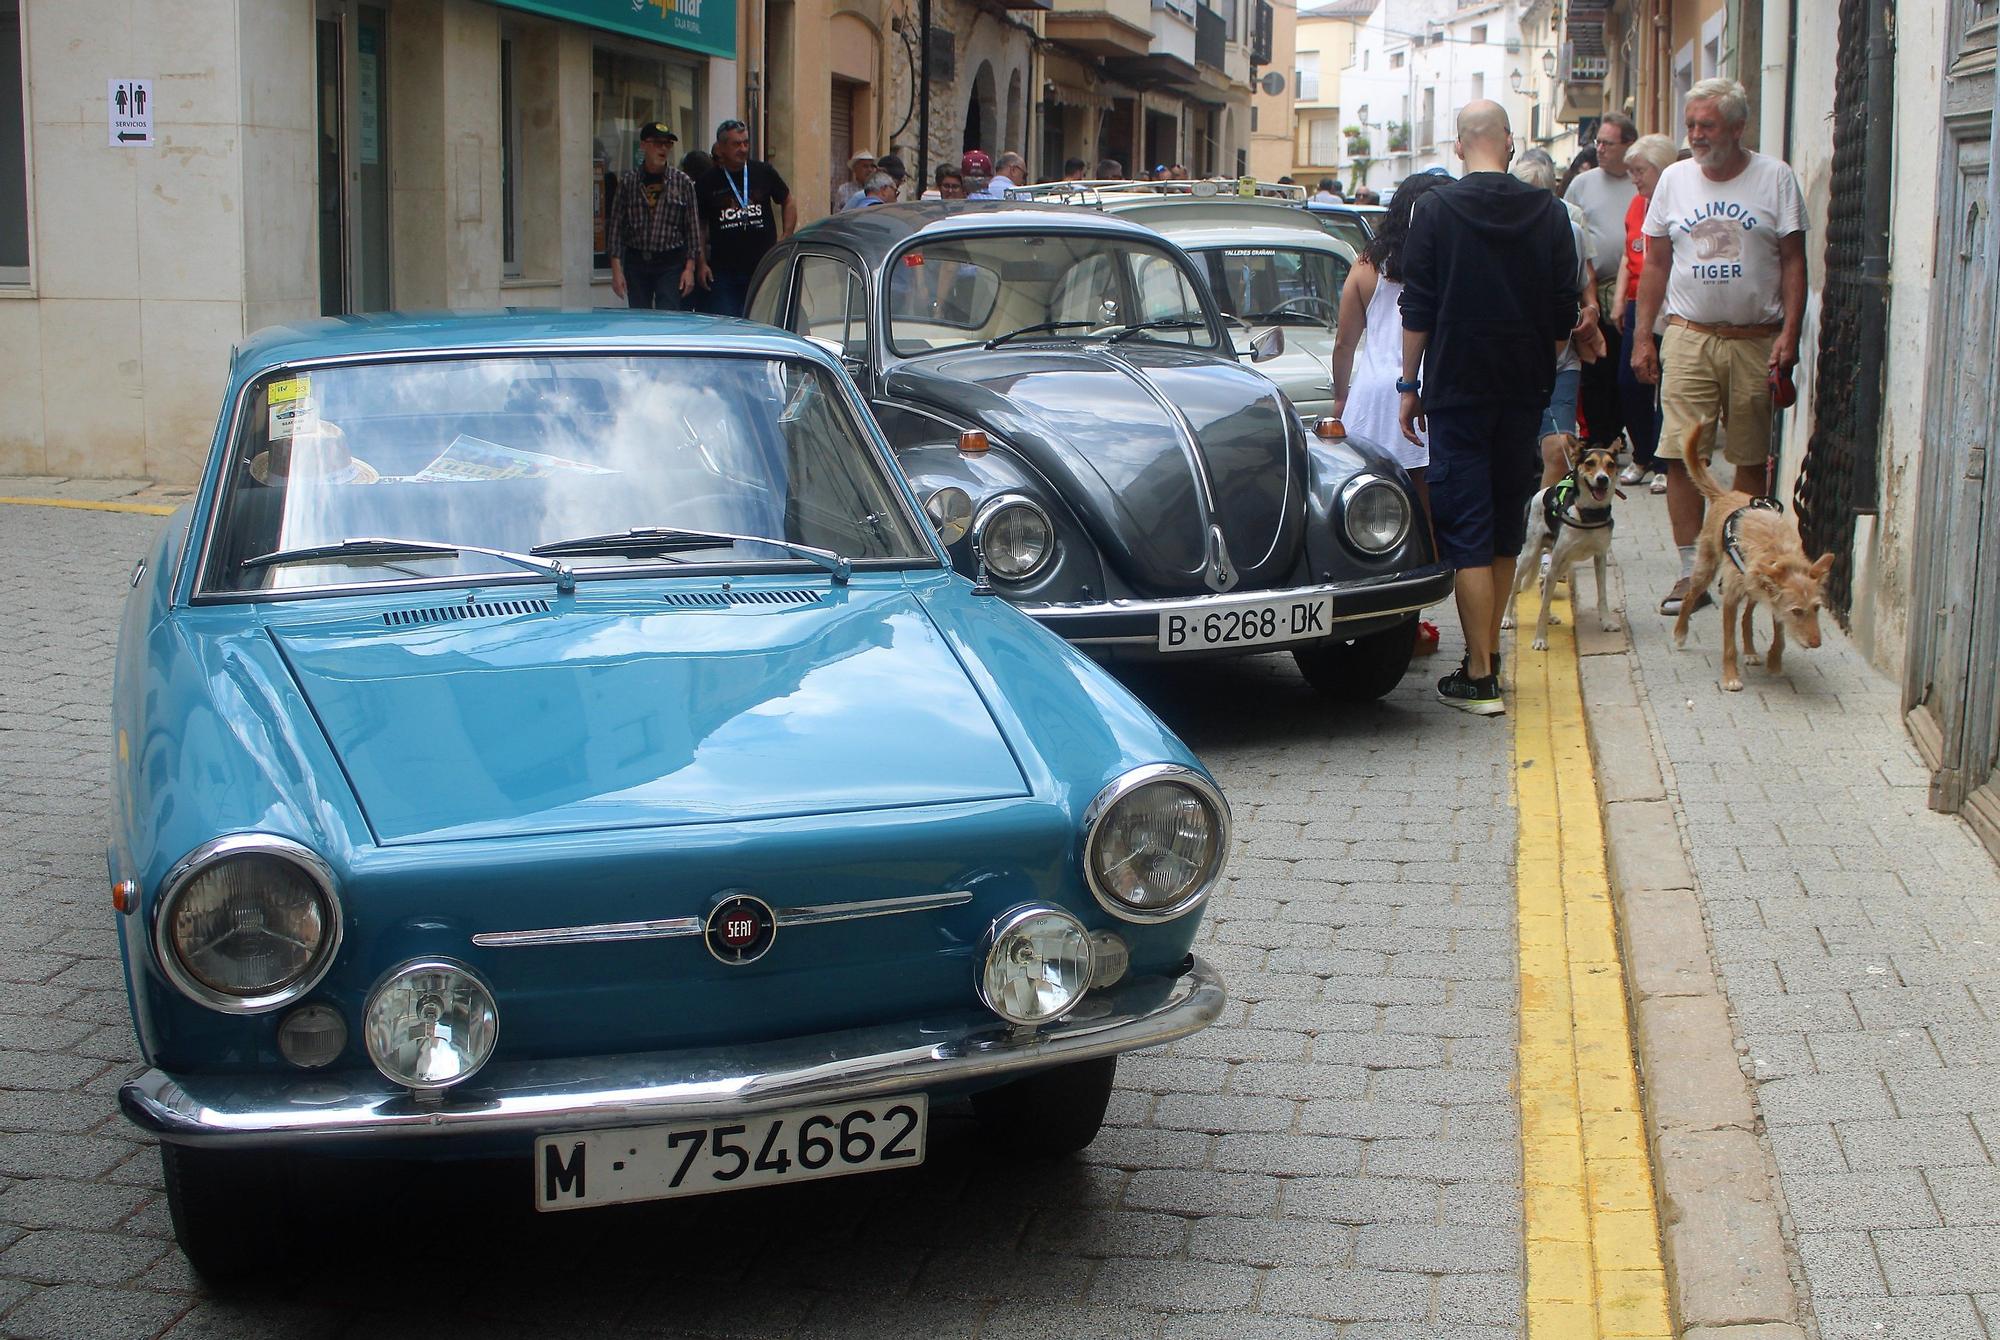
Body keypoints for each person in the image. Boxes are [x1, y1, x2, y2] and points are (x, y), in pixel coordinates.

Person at [1397, 101, 1580, 715]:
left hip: (1457, 386)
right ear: (1507, 141)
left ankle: (1479, 675)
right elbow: (1563, 314)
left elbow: (1417, 306)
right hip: (1523, 388)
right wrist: (1538, 364)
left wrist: (1406, 383)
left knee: (1466, 527)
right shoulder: (1550, 212)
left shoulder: (1435, 210)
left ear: (1457, 146)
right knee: (1504, 521)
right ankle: (1490, 661)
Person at [1632, 78, 1807, 616]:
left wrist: (1791, 334)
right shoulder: (1676, 181)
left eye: (1706, 125)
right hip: (1689, 334)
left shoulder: (1774, 178)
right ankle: (1692, 573)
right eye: (1690, 125)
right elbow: (1656, 263)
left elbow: (1795, 262)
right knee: (1682, 455)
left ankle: (1745, 562)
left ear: (1737, 127)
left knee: (1749, 457)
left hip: (1756, 339)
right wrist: (1643, 336)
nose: (1696, 135)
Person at [1330, 170, 1452, 655]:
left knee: (1374, 508)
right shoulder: (1443, 263)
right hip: (1419, 387)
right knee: (1421, 512)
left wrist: (1341, 397)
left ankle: (1378, 616)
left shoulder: (1366, 265)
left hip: (1372, 396)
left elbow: (1344, 342)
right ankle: (1413, 618)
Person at [1512, 154, 1604, 493]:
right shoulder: (1499, 237)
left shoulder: (1573, 233)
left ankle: (1543, 530)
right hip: (1511, 364)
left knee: (1560, 448)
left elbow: (1586, 286)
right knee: (1515, 453)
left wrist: (1591, 310)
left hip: (1560, 360)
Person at [1566, 113, 1638, 453]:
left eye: (1608, 143)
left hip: (1633, 290)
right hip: (1594, 290)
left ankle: (1621, 435)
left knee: (1627, 372)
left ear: (1628, 145)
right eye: (1599, 143)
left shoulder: (1640, 180)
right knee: (1596, 368)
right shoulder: (1583, 184)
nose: (1601, 149)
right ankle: (1599, 437)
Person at [1609, 134, 1678, 489]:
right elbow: (1628, 253)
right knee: (1628, 380)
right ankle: (1643, 454)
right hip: (1640, 300)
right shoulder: (1637, 205)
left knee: (1669, 386)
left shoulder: (1678, 201)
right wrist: (1620, 299)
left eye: (1639, 170)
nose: (1634, 179)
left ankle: (1666, 465)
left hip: (1674, 304)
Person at [695, 119, 794, 317]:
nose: (742, 149)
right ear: (721, 147)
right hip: (724, 272)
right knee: (727, 326)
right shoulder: (707, 181)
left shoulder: (763, 172)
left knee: (763, 320)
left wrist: (786, 236)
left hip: (763, 266)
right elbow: (699, 225)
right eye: (736, 144)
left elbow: (788, 201)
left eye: (746, 143)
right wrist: (701, 263)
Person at [605, 122, 703, 311]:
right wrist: (616, 271)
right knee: (640, 315)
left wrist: (689, 269)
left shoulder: (682, 182)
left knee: (668, 314)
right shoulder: (628, 182)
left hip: (670, 261)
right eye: (658, 144)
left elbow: (692, 229)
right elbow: (616, 228)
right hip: (637, 260)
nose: (663, 149)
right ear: (643, 145)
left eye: (668, 144)